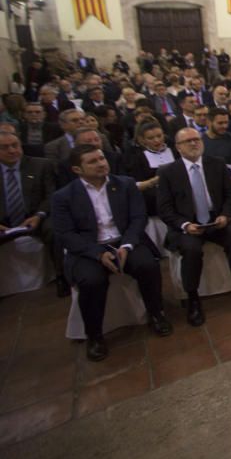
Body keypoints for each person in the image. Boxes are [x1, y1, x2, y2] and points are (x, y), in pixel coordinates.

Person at [52, 144, 173, 362]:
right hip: (89, 249)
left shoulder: (124, 184)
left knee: (147, 266)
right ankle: (95, 335)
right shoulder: (64, 196)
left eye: (101, 159)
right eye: (92, 161)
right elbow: (65, 234)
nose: (100, 164)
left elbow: (138, 218)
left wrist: (126, 245)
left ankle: (157, 314)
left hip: (124, 241)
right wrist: (97, 254)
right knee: (91, 281)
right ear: (77, 169)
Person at [157, 128, 231, 325]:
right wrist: (185, 225)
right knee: (191, 250)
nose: (194, 144)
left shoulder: (216, 164)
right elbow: (165, 209)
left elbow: (230, 195)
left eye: (196, 139)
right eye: (188, 141)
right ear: (178, 147)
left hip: (215, 220)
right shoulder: (168, 172)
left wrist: (225, 215)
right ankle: (193, 297)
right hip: (188, 224)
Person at [0, 131, 65, 296]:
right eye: (4, 147)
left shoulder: (41, 165)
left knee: (55, 230)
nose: (12, 150)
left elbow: (52, 195)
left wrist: (39, 215)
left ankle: (61, 276)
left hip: (37, 217)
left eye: (15, 146)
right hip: (3, 222)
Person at [125, 121, 176, 217]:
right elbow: (135, 185)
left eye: (159, 136)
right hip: (155, 205)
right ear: (143, 140)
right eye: (151, 138)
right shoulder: (139, 158)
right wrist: (154, 181)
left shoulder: (175, 151)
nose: (157, 140)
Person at [202, 107, 231, 173]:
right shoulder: (200, 142)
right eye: (220, 123)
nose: (225, 126)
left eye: (226, 122)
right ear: (209, 122)